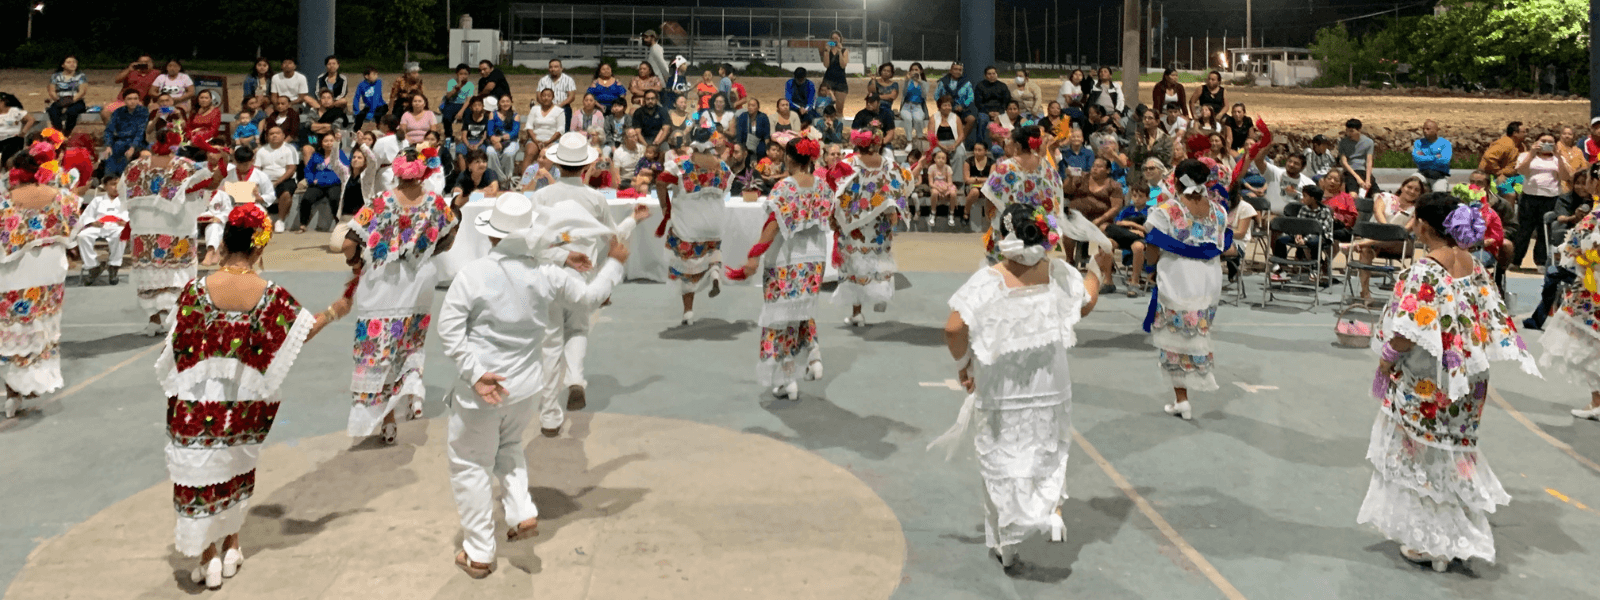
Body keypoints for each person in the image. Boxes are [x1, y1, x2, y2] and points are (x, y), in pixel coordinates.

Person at [437, 193, 627, 579]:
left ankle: (478, 551)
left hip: (483, 387)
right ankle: (521, 511)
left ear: (491, 235)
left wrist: (473, 372)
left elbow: (449, 329)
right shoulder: (547, 274)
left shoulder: (472, 275)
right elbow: (590, 297)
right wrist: (614, 265)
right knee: (508, 447)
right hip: (527, 385)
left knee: (470, 463)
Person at [156, 203, 344, 589]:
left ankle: (207, 555)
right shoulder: (269, 293)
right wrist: (334, 311)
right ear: (260, 249)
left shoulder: (194, 289)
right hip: (240, 403)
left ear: (224, 242)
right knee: (235, 469)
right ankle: (231, 547)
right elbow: (301, 330)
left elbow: (177, 345)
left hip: (195, 402)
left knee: (200, 476)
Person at [1358, 191, 1536, 573]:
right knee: (1452, 453)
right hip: (1470, 381)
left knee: (1421, 453)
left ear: (1424, 224)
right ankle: (1451, 539)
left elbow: (1407, 331)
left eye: (1415, 220)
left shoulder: (1423, 271)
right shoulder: (1475, 265)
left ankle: (1431, 542)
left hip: (1429, 378)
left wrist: (1386, 360)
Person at [933, 201, 1099, 569]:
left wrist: (963, 365)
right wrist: (1098, 270)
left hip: (1001, 387)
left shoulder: (989, 279)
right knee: (1047, 447)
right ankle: (1052, 512)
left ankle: (1006, 543)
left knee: (1001, 455)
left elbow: (953, 328)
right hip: (1050, 382)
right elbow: (1084, 302)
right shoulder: (1058, 272)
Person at [529, 132, 648, 421]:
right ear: (586, 167)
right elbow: (612, 237)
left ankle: (548, 411)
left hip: (548, 270)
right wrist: (634, 219)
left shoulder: (542, 195)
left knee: (551, 337)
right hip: (581, 272)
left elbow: (533, 239)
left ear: (557, 165)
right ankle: (575, 380)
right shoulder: (594, 198)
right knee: (578, 329)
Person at [341, 147, 457, 444]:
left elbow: (348, 244)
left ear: (397, 172)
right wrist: (426, 251)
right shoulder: (436, 204)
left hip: (381, 283)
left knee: (378, 349)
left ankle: (385, 418)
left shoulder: (379, 203)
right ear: (425, 172)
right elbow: (449, 235)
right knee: (408, 343)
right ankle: (409, 397)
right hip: (418, 283)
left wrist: (357, 266)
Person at [1142, 159, 1232, 420]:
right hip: (1209, 278)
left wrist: (1150, 267)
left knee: (1174, 338)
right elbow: (1222, 244)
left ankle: (1182, 399)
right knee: (1197, 330)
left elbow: (1152, 243)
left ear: (1177, 180)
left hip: (1179, 276)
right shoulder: (1218, 212)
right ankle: (1183, 397)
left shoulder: (1166, 211)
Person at [1, 153, 80, 419]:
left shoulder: (5, 201)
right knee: (44, 321)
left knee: (13, 324)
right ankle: (33, 382)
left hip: (16, 271)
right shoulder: (62, 197)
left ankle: (13, 392)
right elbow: (72, 229)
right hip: (50, 269)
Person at [122, 141, 216, 335]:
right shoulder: (186, 165)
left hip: (145, 227)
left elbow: (122, 191)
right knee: (176, 276)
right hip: (175, 226)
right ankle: (178, 321)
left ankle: (154, 321)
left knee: (149, 274)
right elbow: (210, 183)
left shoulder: (135, 166)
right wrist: (220, 163)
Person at [832, 128, 912, 326]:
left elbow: (836, 190)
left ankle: (857, 313)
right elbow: (902, 185)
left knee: (856, 264)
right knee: (879, 258)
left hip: (854, 224)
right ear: (877, 144)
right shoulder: (890, 165)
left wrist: (834, 217)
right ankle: (881, 295)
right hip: (880, 223)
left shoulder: (849, 164)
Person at [654, 127, 733, 325]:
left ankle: (688, 312)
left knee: (687, 267)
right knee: (712, 249)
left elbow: (661, 181)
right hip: (714, 223)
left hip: (689, 224)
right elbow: (726, 189)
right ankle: (715, 270)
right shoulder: (723, 167)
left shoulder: (680, 165)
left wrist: (665, 204)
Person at [1511, 132, 1571, 270]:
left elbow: (1565, 176)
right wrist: (1531, 154)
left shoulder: (1558, 159)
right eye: (1543, 141)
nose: (1546, 144)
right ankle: (1515, 260)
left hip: (1550, 198)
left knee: (1545, 231)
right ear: (1536, 142)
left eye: (1550, 142)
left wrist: (1558, 157)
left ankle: (1541, 261)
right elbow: (1521, 171)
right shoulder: (1525, 156)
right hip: (1529, 197)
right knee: (1524, 230)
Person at [75, 179, 128, 285]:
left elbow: (130, 217)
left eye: (118, 185)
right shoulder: (97, 200)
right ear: (105, 186)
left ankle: (114, 266)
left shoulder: (125, 201)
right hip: (99, 226)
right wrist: (92, 222)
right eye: (113, 184)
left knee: (121, 235)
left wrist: (125, 222)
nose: (116, 188)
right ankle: (93, 266)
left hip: (116, 227)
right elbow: (86, 216)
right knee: (82, 236)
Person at [297, 133, 349, 233]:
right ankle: (303, 224)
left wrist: (332, 180)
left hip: (334, 184)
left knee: (335, 199)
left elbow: (345, 171)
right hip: (317, 185)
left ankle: (339, 225)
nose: (329, 143)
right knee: (306, 199)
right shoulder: (316, 155)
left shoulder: (340, 154)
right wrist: (312, 180)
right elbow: (308, 170)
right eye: (326, 141)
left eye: (331, 140)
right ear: (321, 143)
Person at [101, 90, 148, 177]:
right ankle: (109, 179)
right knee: (111, 151)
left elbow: (140, 132)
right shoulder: (118, 112)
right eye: (129, 99)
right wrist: (108, 145)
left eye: (135, 99)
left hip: (138, 142)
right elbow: (109, 130)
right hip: (120, 140)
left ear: (138, 100)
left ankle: (121, 178)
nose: (132, 101)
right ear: (124, 101)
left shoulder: (143, 111)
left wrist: (132, 147)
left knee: (124, 150)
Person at [1128, 109, 1172, 190]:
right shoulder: (1136, 138)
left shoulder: (1165, 138)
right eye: (1145, 118)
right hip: (1139, 175)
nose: (1146, 120)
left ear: (1157, 121)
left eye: (1150, 118)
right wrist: (1140, 145)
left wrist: (1150, 151)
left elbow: (1166, 158)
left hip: (1159, 175)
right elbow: (1133, 158)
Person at [934, 63, 976, 145]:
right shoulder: (943, 82)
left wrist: (963, 105)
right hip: (946, 109)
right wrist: (943, 105)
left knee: (971, 119)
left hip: (961, 109)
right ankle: (942, 142)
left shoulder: (966, 83)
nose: (957, 71)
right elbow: (936, 96)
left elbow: (971, 97)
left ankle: (960, 141)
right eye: (955, 69)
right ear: (951, 70)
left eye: (960, 70)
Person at [45, 56, 88, 135]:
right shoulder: (55, 76)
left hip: (76, 100)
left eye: (74, 62)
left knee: (72, 112)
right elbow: (52, 91)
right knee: (53, 111)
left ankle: (67, 132)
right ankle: (58, 132)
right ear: (63, 65)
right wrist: (58, 100)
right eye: (69, 62)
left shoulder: (81, 76)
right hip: (60, 99)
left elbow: (82, 91)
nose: (72, 64)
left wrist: (71, 101)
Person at [1411, 119, 1453, 192]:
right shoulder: (1418, 143)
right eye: (1423, 129)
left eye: (1428, 129)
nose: (1424, 131)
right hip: (1422, 174)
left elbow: (1445, 160)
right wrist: (1436, 156)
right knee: (1411, 183)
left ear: (1436, 131)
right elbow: (1417, 158)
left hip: (1439, 176)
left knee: (1439, 193)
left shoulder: (1445, 144)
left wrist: (1425, 157)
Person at [487, 95, 522, 181]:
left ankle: (507, 178)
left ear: (511, 103)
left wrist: (501, 138)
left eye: (507, 101)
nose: (505, 103)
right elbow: (490, 131)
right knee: (490, 152)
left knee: (508, 153)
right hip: (495, 141)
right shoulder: (493, 114)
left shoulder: (515, 115)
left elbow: (514, 132)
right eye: (502, 101)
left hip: (511, 141)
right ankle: (497, 179)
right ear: (499, 103)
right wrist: (495, 141)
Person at [1338, 118, 1376, 195]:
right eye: (1347, 130)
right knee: (1353, 194)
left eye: (1352, 131)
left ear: (1359, 130)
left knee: (1377, 195)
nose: (1349, 133)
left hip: (1364, 171)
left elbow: (1369, 161)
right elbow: (1344, 162)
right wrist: (1358, 179)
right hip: (1350, 171)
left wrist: (1368, 180)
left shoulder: (1368, 142)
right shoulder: (1343, 142)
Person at [439, 64, 477, 140]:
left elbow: (468, 100)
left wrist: (461, 111)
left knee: (469, 115)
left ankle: (466, 135)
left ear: (468, 75)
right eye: (461, 74)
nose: (463, 76)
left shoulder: (470, 85)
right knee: (446, 117)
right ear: (457, 74)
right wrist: (457, 87)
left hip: (463, 104)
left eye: (465, 74)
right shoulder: (451, 82)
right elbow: (448, 96)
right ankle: (449, 135)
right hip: (451, 103)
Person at [536, 59, 578, 123]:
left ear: (561, 68)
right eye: (551, 67)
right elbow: (539, 96)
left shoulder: (568, 80)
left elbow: (571, 96)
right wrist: (547, 106)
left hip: (563, 107)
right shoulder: (543, 80)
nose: (553, 69)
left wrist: (559, 106)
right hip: (546, 107)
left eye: (556, 67)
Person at [867, 63, 900, 132]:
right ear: (880, 71)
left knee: (886, 117)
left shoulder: (894, 84)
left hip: (886, 108)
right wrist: (873, 80)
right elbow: (871, 92)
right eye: (884, 70)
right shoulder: (875, 82)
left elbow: (892, 96)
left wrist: (877, 96)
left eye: (888, 71)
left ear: (891, 73)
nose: (886, 73)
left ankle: (883, 136)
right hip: (874, 108)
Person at [352, 67, 387, 132]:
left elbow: (376, 98)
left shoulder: (378, 82)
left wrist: (371, 112)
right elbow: (356, 97)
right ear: (366, 76)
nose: (376, 76)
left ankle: (381, 131)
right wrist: (356, 110)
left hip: (380, 105)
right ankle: (356, 132)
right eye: (374, 74)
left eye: (377, 74)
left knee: (378, 115)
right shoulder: (361, 85)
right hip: (369, 106)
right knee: (359, 116)